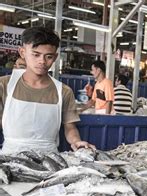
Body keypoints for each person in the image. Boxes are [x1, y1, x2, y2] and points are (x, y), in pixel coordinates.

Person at [0, 26, 94, 154]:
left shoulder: (63, 91)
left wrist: (76, 141)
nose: (42, 61)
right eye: (36, 55)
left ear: (55, 57)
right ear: (22, 53)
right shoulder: (4, 85)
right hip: (10, 156)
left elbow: (70, 127)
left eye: (48, 56)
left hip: (49, 158)